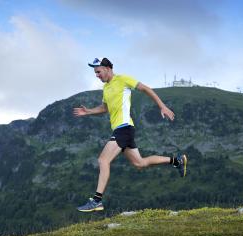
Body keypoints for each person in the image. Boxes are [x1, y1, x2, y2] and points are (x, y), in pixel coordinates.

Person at [74, 57, 188, 212]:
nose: (97, 75)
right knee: (140, 163)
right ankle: (177, 161)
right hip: (120, 130)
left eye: (98, 71)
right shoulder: (106, 89)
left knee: (103, 160)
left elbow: (146, 89)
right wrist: (88, 111)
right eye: (95, 73)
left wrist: (162, 106)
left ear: (107, 68)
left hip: (125, 128)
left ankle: (97, 200)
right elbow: (104, 108)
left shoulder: (123, 79)